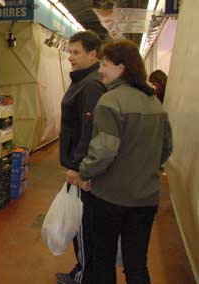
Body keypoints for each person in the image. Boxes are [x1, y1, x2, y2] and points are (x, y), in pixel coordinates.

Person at [67, 39, 173, 284]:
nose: (101, 69)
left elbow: (104, 151)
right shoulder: (154, 102)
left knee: (103, 260)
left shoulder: (110, 101)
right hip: (146, 198)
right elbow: (166, 147)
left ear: (121, 67)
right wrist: (143, 167)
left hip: (110, 198)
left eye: (105, 64)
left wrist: (84, 173)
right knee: (136, 263)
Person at [57, 31, 106, 284]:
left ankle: (85, 276)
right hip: (80, 166)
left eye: (76, 52)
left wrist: (78, 168)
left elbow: (89, 131)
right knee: (81, 223)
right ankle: (82, 269)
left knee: (84, 226)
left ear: (93, 54)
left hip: (82, 170)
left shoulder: (90, 85)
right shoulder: (83, 81)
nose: (70, 57)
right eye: (70, 51)